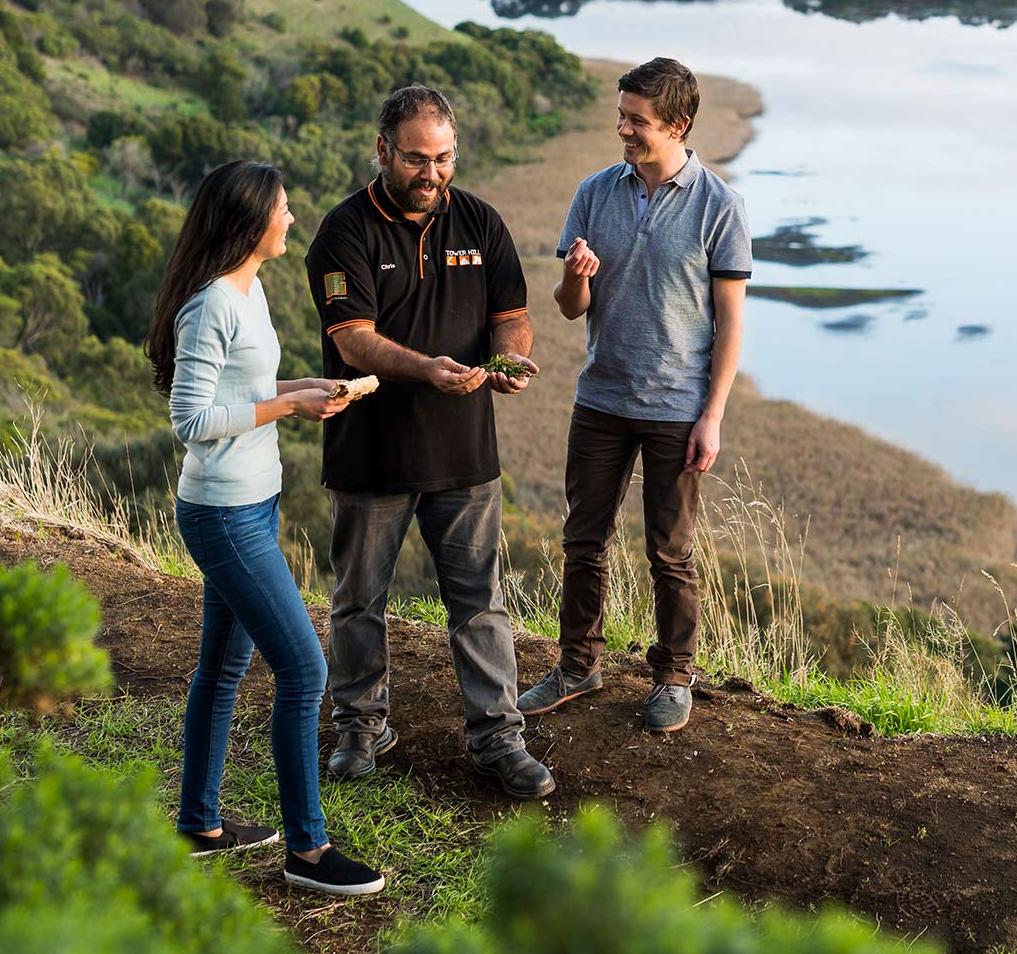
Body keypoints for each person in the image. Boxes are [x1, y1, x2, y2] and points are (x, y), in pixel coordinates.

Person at [303, 85, 554, 800]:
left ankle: (498, 737)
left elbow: (513, 316)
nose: (431, 173)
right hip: (370, 452)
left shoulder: (481, 219)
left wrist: (509, 360)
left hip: (464, 456)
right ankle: (359, 726)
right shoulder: (342, 231)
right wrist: (427, 368)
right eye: (416, 159)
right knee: (358, 600)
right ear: (383, 151)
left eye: (443, 158)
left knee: (480, 602)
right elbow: (352, 339)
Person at [146, 159, 384, 896]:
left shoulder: (252, 290)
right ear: (251, 221)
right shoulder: (210, 304)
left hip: (255, 504)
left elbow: (241, 390)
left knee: (221, 668)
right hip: (220, 512)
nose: (291, 219)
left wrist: (305, 390)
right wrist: (290, 410)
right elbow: (191, 420)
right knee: (306, 670)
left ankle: (199, 825)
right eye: (282, 209)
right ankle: (308, 853)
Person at [517, 57, 752, 734]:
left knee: (669, 552)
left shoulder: (719, 206)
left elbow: (731, 320)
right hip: (600, 399)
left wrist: (713, 416)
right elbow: (569, 308)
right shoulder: (595, 192)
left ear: (677, 125)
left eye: (636, 120)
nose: (622, 128)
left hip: (677, 409)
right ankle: (576, 665)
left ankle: (674, 676)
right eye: (620, 115)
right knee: (583, 539)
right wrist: (574, 276)